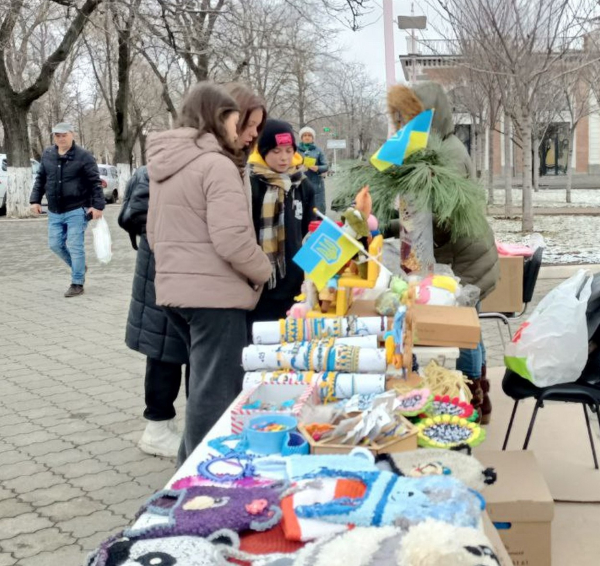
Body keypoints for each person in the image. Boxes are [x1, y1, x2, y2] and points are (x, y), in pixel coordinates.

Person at [146, 82, 272, 465]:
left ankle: (188, 468)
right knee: (214, 394)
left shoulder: (168, 163)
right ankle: (202, 475)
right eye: (236, 123)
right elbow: (232, 239)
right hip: (215, 297)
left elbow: (153, 232)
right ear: (218, 119)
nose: (240, 133)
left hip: (176, 293)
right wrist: (263, 270)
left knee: (202, 387)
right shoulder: (216, 164)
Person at [386, 82, 499, 424]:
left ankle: (471, 401)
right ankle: (480, 394)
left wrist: (392, 226)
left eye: (409, 117)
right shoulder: (434, 149)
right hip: (464, 255)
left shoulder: (446, 154)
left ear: (428, 117)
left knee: (464, 331)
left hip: (468, 259)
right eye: (399, 118)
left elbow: (437, 217)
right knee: (471, 328)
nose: (403, 125)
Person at [119, 166, 189, 458]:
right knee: (164, 351)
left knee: (172, 350)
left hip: (179, 272)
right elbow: (134, 214)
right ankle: (157, 428)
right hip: (164, 273)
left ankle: (166, 426)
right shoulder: (158, 170)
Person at [248, 119, 315, 324]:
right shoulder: (251, 184)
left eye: (288, 150)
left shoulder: (301, 184)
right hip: (261, 284)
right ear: (263, 152)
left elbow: (310, 232)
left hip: (295, 282)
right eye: (276, 151)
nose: (283, 158)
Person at [30, 122, 105, 297]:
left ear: (72, 134)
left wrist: (98, 206)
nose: (61, 138)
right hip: (55, 210)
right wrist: (35, 200)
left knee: (75, 245)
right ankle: (79, 267)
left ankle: (77, 283)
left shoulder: (84, 156)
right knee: (55, 244)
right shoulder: (48, 154)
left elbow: (95, 182)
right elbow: (41, 178)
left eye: (64, 135)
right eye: (57, 135)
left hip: (77, 209)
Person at [298, 126, 328, 214]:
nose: (307, 137)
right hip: (300, 183)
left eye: (309, 135)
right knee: (302, 211)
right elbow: (290, 164)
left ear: (313, 138)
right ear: (301, 138)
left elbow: (326, 166)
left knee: (317, 211)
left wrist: (318, 168)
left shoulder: (318, 150)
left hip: (316, 185)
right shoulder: (295, 150)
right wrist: (298, 168)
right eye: (305, 135)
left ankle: (318, 226)